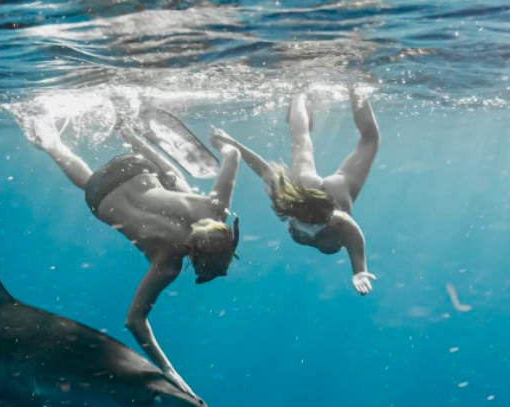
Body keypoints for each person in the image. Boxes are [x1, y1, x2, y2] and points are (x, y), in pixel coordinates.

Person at [29, 114, 240, 389]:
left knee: (175, 182)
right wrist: (169, 370)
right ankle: (51, 143)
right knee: (86, 179)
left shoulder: (216, 208)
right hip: (99, 194)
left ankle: (128, 131)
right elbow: (134, 321)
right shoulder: (167, 263)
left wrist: (222, 141)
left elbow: (233, 155)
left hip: (134, 168)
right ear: (197, 262)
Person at [211, 89, 379, 294]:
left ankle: (338, 89)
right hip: (327, 191)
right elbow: (353, 233)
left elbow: (265, 169)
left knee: (310, 138)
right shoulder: (333, 219)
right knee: (304, 137)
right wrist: (359, 271)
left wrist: (233, 143)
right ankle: (301, 92)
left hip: (314, 189)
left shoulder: (303, 205)